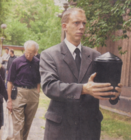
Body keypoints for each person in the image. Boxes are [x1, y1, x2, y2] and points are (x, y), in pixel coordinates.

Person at [40, 8, 122, 140]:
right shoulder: (49, 55)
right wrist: (83, 89)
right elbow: (50, 87)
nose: (81, 27)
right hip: (60, 130)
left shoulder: (96, 56)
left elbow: (105, 88)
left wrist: (113, 95)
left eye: (84, 23)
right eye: (76, 23)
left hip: (89, 130)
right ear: (64, 26)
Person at [7, 40, 41, 140]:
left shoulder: (38, 63)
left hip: (33, 94)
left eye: (31, 53)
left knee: (27, 124)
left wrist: (37, 92)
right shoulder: (16, 62)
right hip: (19, 93)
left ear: (36, 52)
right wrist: (9, 100)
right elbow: (9, 81)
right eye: (27, 52)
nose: (28, 55)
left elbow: (39, 80)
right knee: (18, 124)